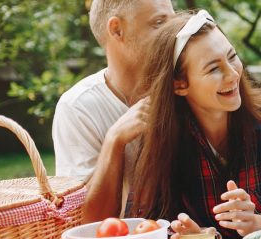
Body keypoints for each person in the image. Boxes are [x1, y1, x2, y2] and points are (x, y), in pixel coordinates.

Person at [130, 10, 261, 239]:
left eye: (232, 57)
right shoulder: (162, 137)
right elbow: (142, 226)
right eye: (213, 69)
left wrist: (259, 223)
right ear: (179, 84)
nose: (232, 74)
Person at [52, 0, 175, 223]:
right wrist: (114, 141)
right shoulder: (78, 107)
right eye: (158, 23)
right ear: (117, 29)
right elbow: (86, 224)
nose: (174, 33)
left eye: (173, 21)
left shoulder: (184, 87)